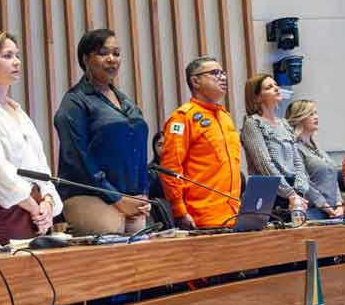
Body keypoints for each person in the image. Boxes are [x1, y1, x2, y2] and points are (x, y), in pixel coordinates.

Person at [0, 32, 62, 245]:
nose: (16, 62)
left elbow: (41, 167)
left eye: (17, 55)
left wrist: (48, 203)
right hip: (1, 217)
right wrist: (35, 208)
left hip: (34, 216)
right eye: (7, 56)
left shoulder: (19, 112)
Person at [53, 29, 150, 235]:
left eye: (116, 53)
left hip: (132, 198)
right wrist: (116, 198)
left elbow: (140, 151)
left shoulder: (126, 101)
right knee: (112, 258)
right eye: (103, 53)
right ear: (86, 59)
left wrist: (143, 193)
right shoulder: (75, 101)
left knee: (141, 264)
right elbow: (78, 158)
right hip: (90, 195)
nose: (112, 59)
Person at [158, 57, 241, 229]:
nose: (223, 77)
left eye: (223, 73)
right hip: (201, 219)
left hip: (234, 216)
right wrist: (179, 211)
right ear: (195, 81)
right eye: (215, 73)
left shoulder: (225, 117)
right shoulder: (182, 118)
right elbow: (171, 168)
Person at [240, 74, 309, 216]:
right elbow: (264, 164)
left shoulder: (284, 123)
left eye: (276, 85)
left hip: (293, 192)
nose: (277, 89)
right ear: (258, 97)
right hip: (268, 194)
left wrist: (300, 190)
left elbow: (297, 161)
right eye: (269, 87)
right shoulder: (253, 123)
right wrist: (289, 193)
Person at [285, 100, 344, 220]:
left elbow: (333, 177)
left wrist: (339, 204)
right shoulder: (294, 147)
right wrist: (324, 205)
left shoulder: (317, 146)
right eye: (310, 114)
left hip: (334, 211)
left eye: (316, 113)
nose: (316, 117)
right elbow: (304, 182)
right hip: (313, 212)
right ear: (299, 117)